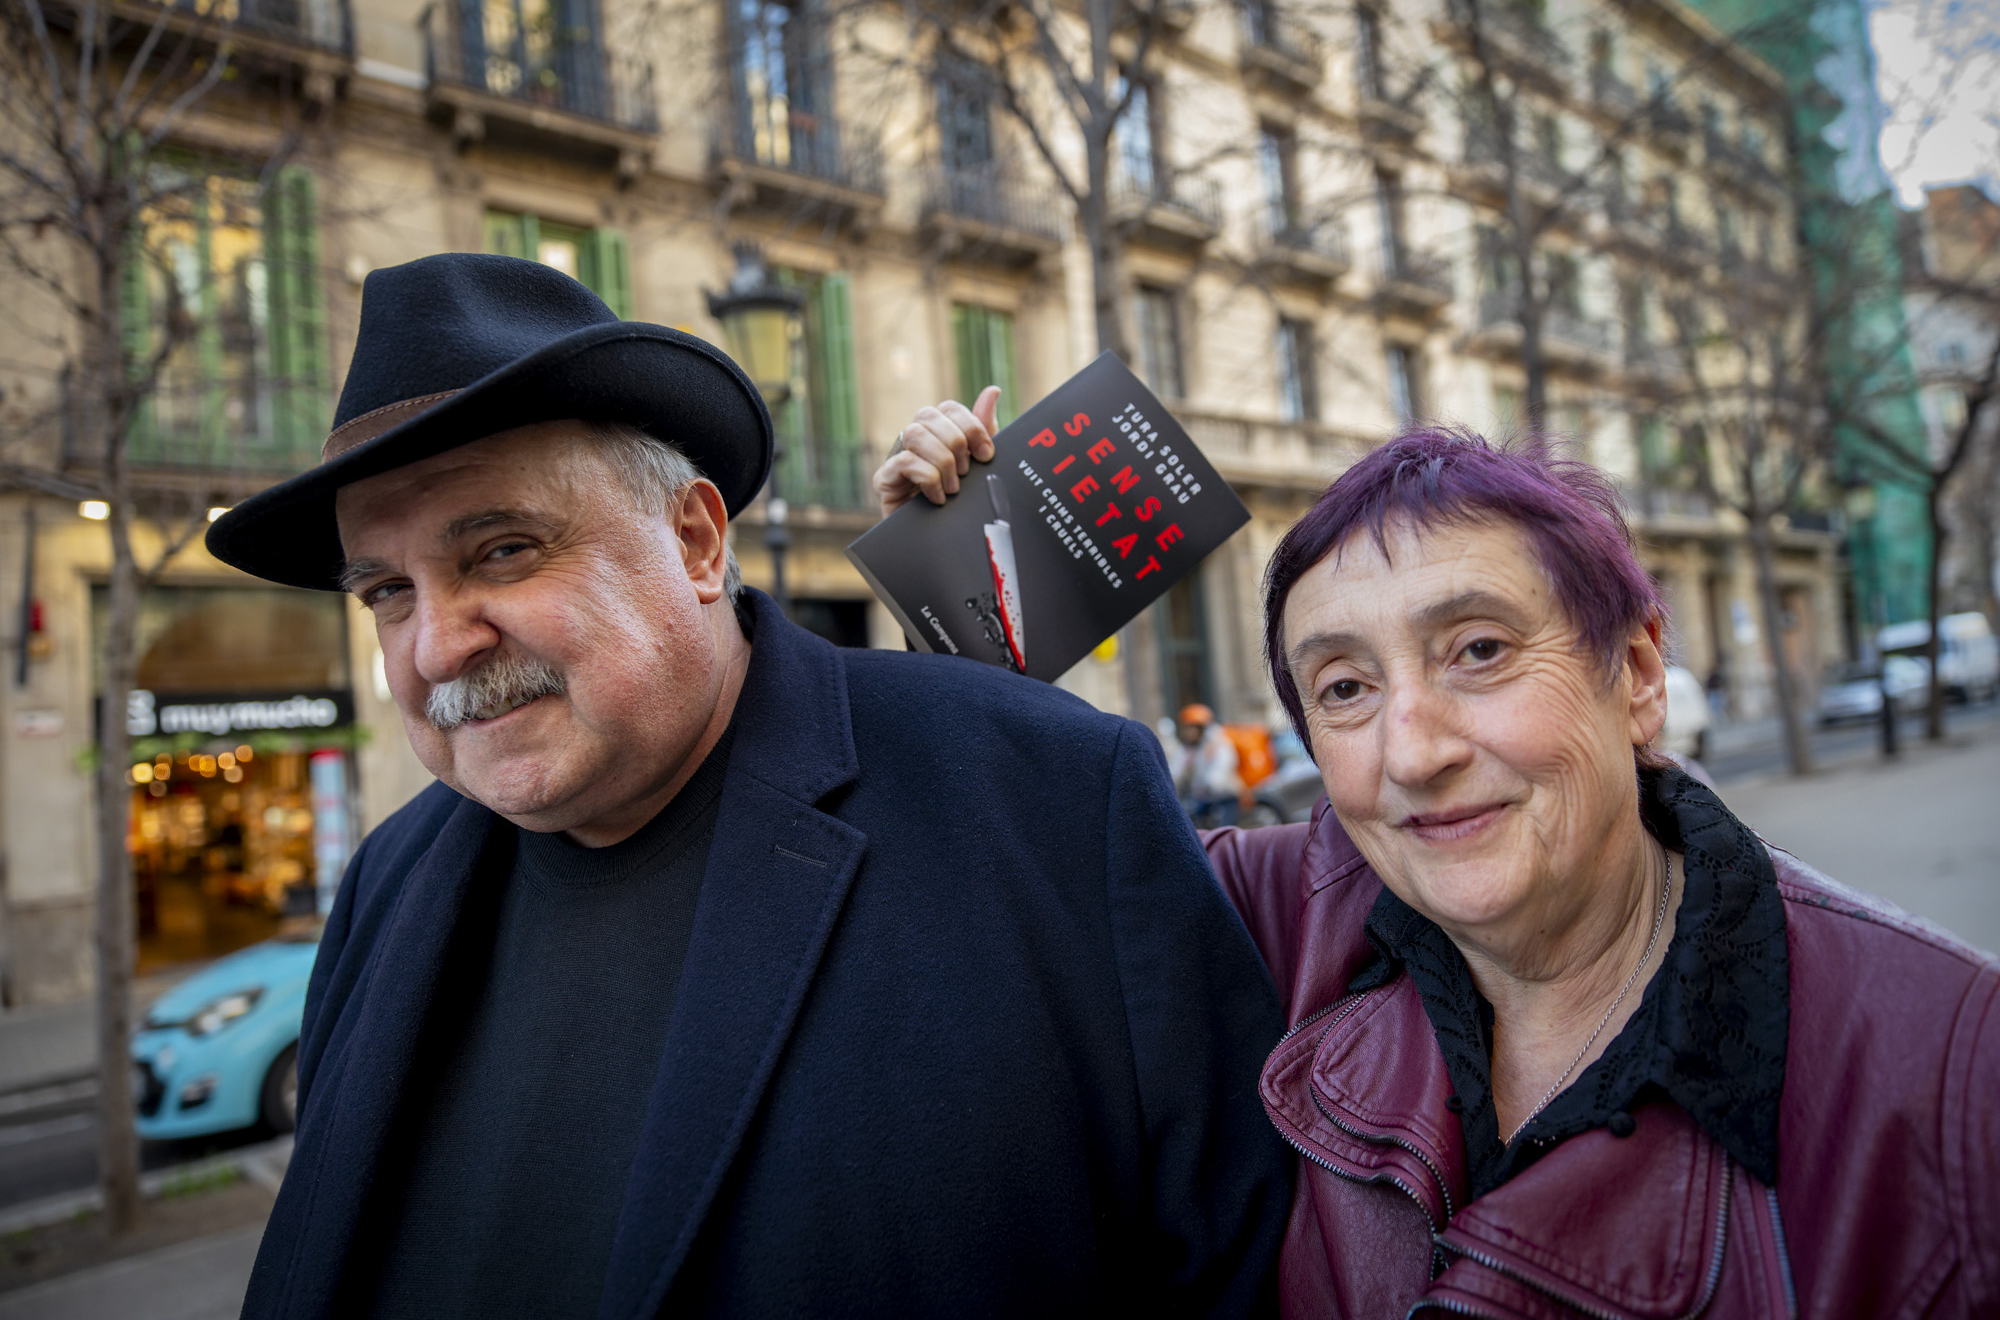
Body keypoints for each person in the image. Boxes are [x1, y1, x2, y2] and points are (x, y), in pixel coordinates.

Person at [206, 255, 1292, 1318]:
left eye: (500, 551)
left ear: (693, 538)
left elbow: (1237, 1267)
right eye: (388, 590)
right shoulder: (389, 879)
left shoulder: (1053, 796)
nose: (436, 646)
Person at [879, 402, 2000, 1316]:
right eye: (1344, 689)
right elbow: (1024, 880)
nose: (1409, 752)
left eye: (1477, 650)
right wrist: (966, 593)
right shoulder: (1274, 914)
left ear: (1638, 677)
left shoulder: (1951, 1066)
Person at [1162, 704, 1242, 829]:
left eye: (1193, 728)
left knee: (1224, 829)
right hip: (1203, 798)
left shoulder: (1219, 745)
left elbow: (1220, 770)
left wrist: (1209, 782)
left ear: (1203, 729)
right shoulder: (1188, 749)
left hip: (1225, 796)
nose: (1189, 733)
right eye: (1187, 728)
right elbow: (1175, 771)